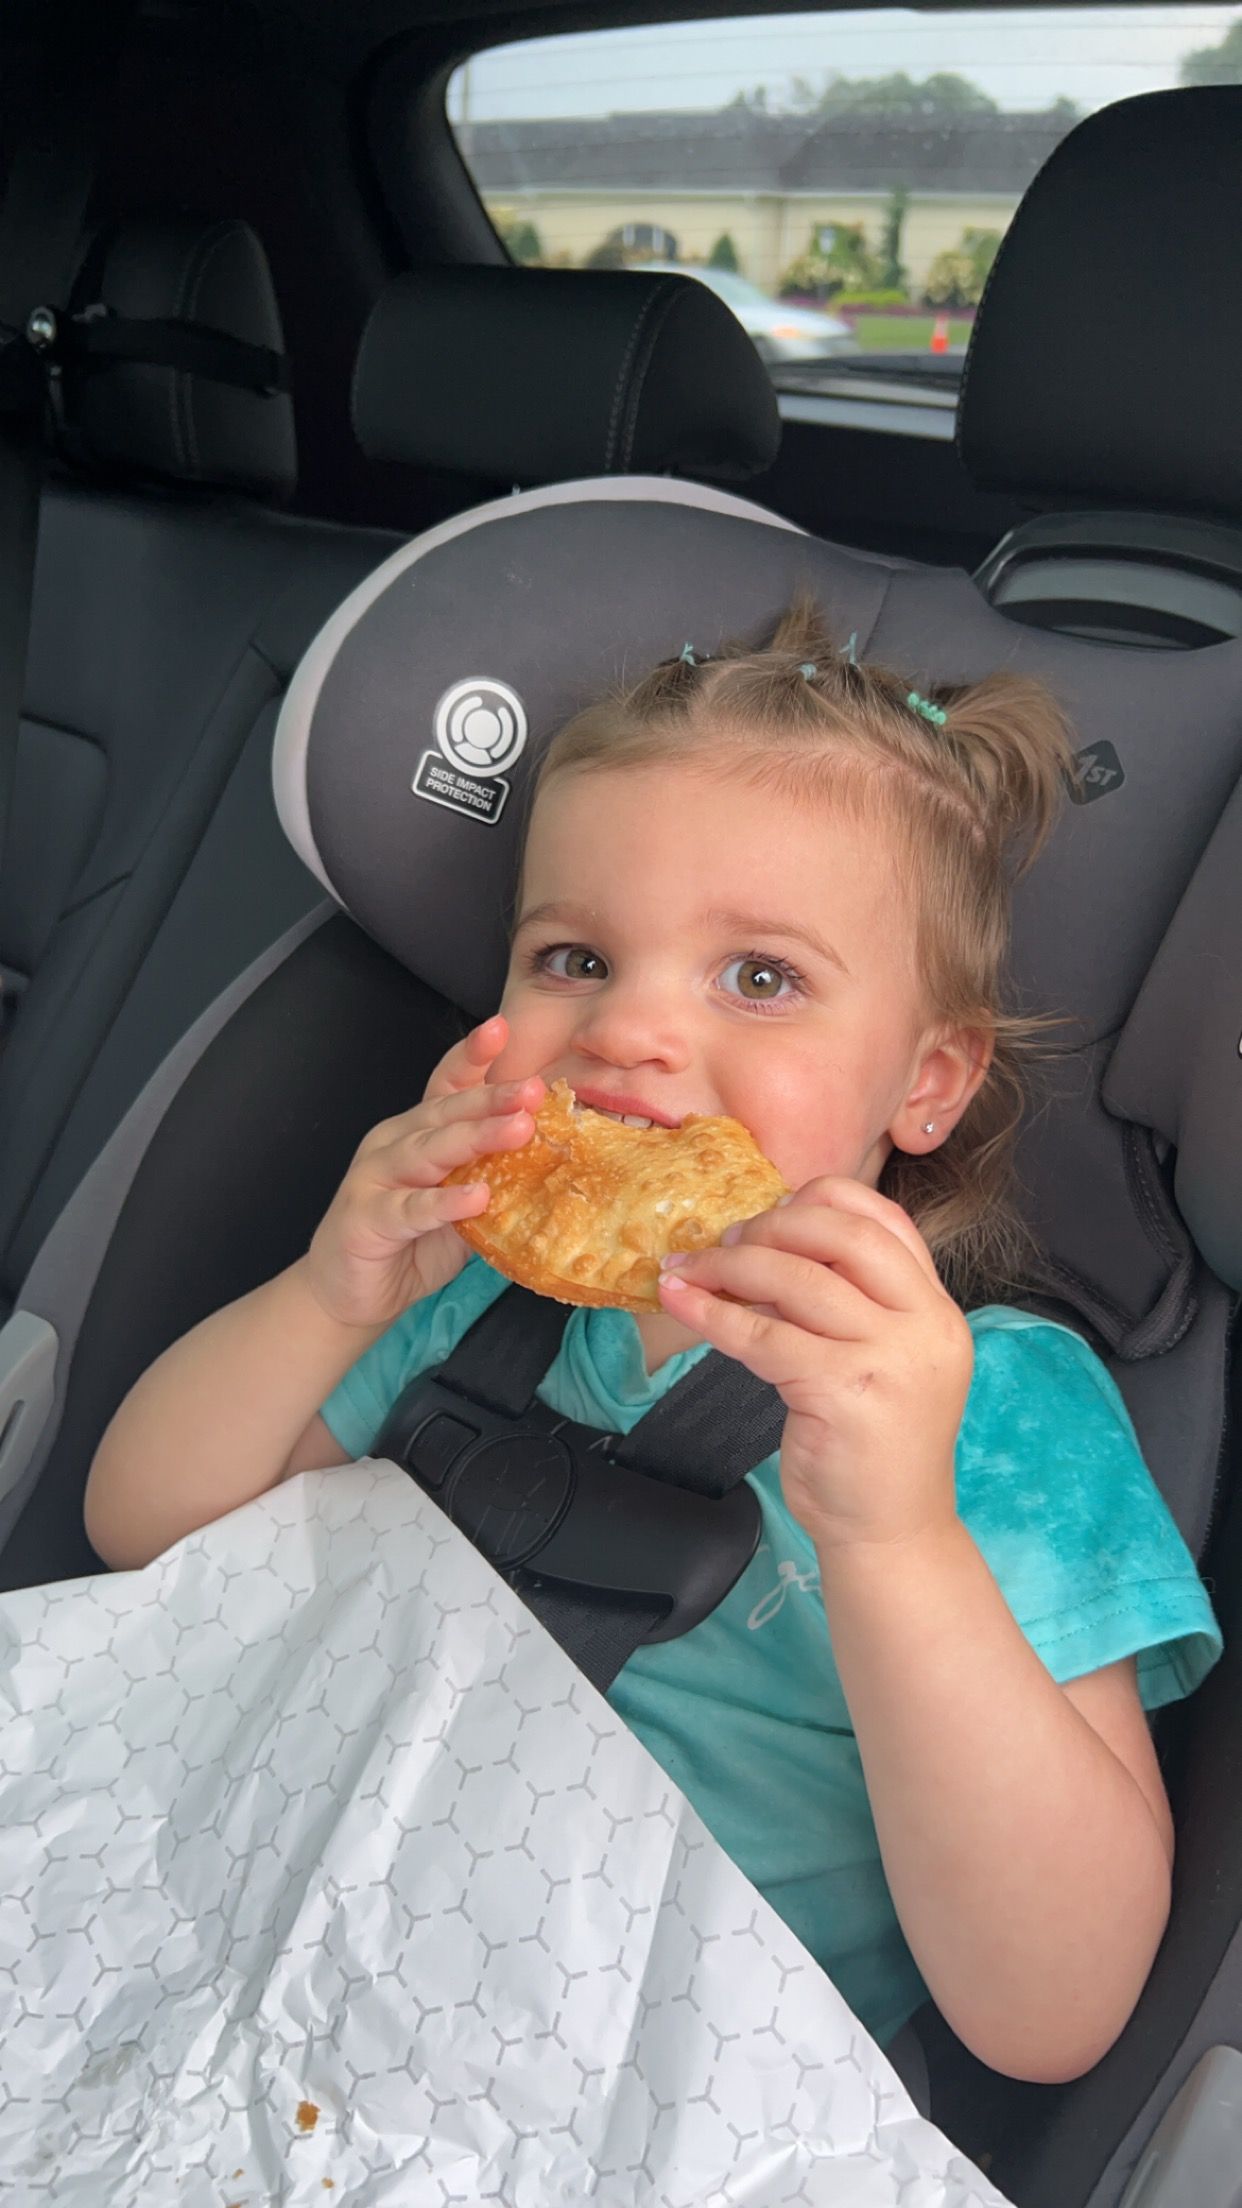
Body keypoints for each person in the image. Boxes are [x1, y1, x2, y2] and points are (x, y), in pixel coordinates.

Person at [84, 603, 1221, 2085]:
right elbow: (146, 1536)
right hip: (302, 1943)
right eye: (571, 959)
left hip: (655, 2082)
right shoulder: (464, 1293)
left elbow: (1048, 2014)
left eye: (758, 977)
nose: (625, 1031)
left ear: (924, 1084)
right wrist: (330, 1294)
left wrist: (895, 1538)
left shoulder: (994, 1407)